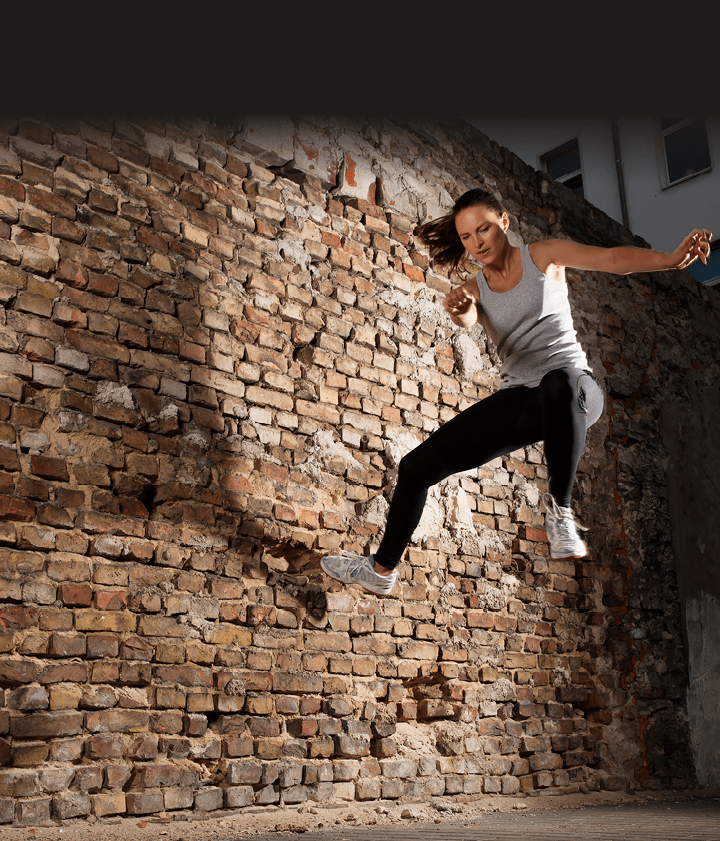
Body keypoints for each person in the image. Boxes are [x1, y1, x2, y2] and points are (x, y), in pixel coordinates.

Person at [321, 188, 712, 596]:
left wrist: (668, 260)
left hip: (576, 391)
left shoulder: (543, 256)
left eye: (484, 229)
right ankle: (381, 570)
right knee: (414, 468)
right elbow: (470, 317)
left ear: (504, 223)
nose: (478, 243)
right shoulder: (475, 286)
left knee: (556, 382)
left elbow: (611, 259)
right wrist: (461, 310)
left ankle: (561, 512)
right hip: (521, 401)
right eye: (468, 237)